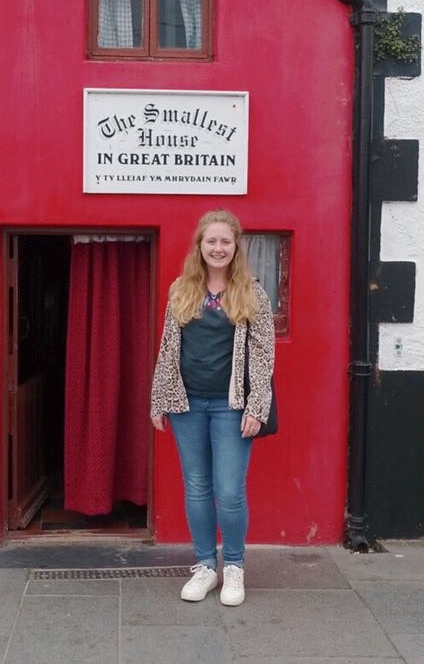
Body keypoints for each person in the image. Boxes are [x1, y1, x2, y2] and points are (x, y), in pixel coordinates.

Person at [151, 209, 275, 607]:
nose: (218, 248)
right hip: (186, 403)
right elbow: (168, 347)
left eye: (225, 241)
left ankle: (234, 566)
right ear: (199, 246)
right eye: (211, 241)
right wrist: (159, 399)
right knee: (197, 487)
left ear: (236, 246)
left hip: (231, 406)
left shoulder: (252, 293)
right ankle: (205, 566)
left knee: (230, 490)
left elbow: (263, 356)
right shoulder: (181, 289)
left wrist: (257, 406)